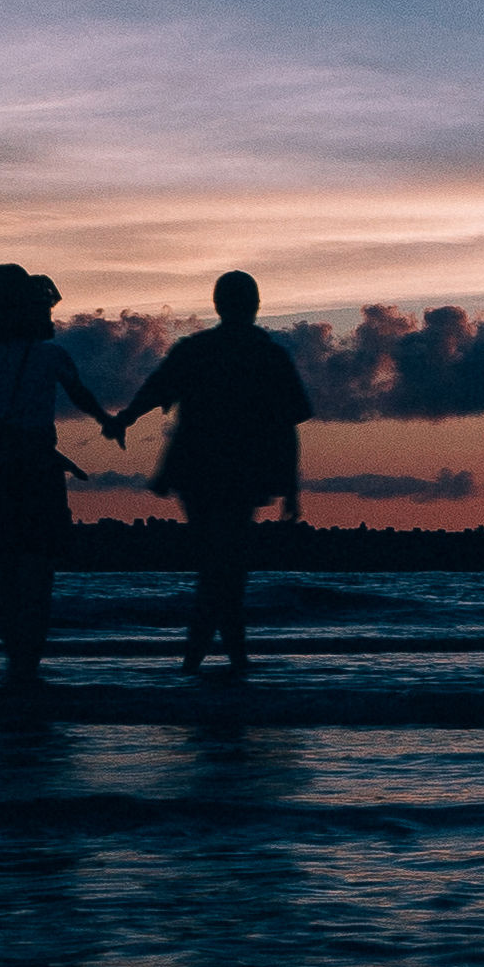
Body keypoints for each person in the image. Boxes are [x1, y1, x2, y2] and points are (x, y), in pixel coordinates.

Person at [102, 269, 312, 672]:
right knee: (226, 568)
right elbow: (288, 427)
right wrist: (291, 489)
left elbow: (155, 388)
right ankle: (216, 661)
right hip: (243, 474)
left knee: (218, 567)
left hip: (195, 472)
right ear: (255, 306)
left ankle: (209, 661)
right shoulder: (268, 355)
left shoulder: (197, 349)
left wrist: (125, 418)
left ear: (218, 305)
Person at [0, 264, 104, 685]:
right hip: (36, 464)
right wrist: (110, 421)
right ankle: (30, 662)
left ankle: (14, 660)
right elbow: (80, 395)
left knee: (7, 567)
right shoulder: (50, 355)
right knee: (38, 569)